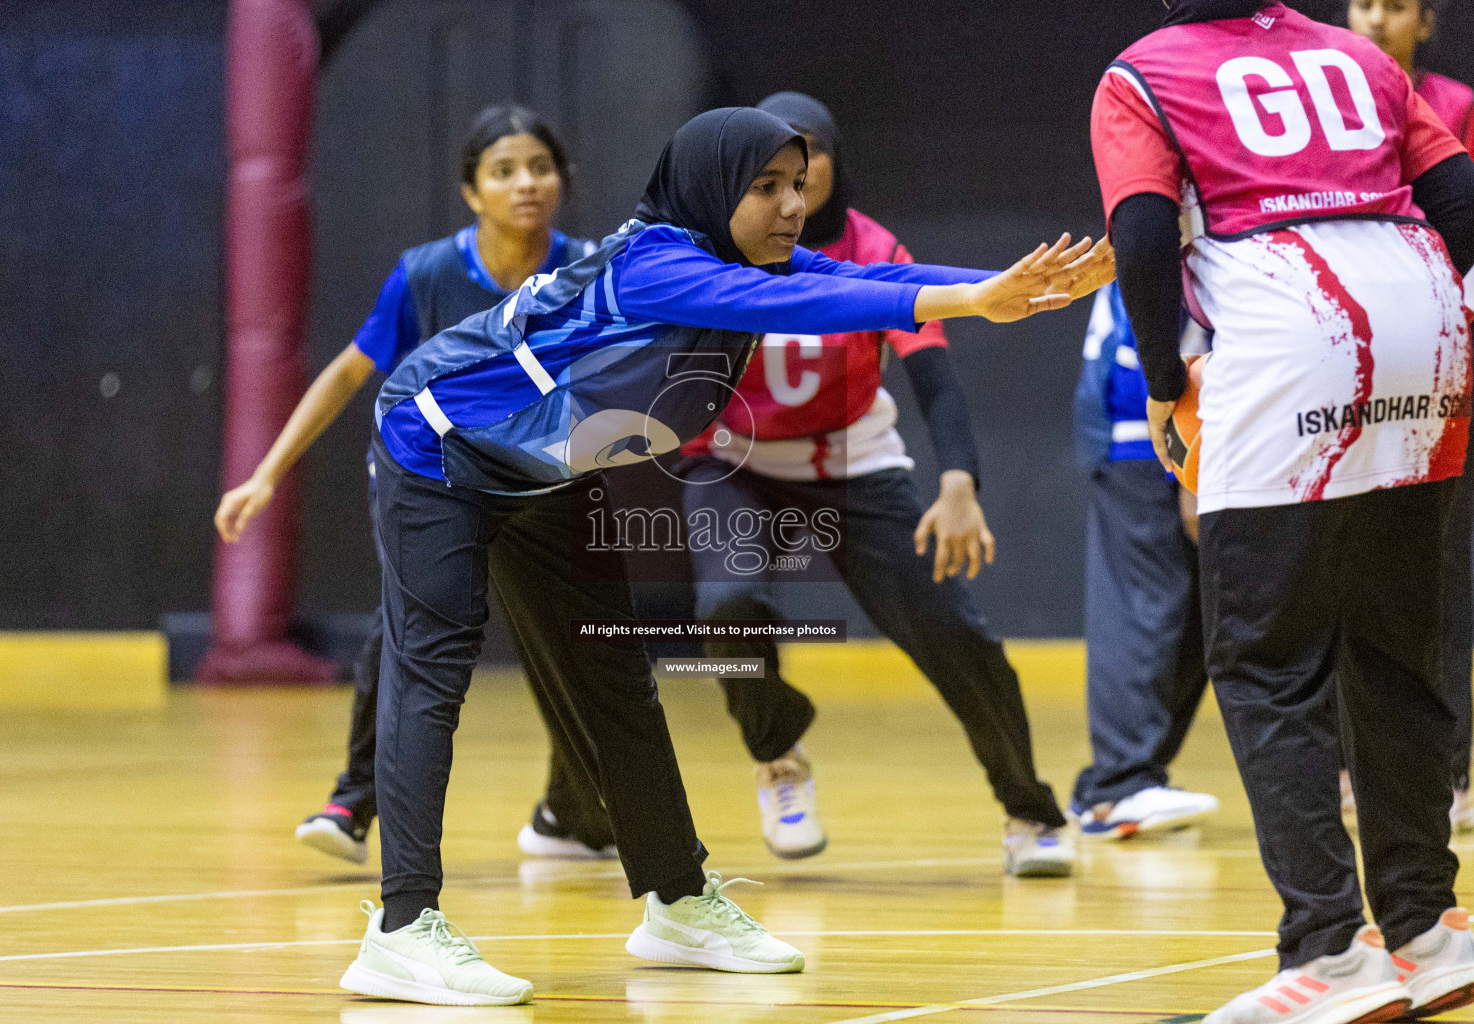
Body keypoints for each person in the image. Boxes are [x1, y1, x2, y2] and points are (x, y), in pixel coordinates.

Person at [342, 106, 1112, 1005]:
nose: (792, 205)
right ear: (712, 189)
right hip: (438, 445)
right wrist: (978, 300)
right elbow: (806, 304)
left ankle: (676, 901)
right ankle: (402, 930)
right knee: (433, 671)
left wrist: (1012, 286)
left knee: (615, 675)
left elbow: (868, 276)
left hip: (543, 468)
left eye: (797, 184)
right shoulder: (662, 263)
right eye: (765, 187)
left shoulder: (753, 257)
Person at [1091, 1, 1474, 1020]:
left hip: (1290, 321)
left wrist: (1168, 379)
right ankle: (1425, 926)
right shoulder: (1360, 56)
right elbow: (1463, 200)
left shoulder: (1141, 72)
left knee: (1266, 655)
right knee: (1399, 641)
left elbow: (1140, 233)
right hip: (1424, 316)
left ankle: (1330, 952)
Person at [653, 90, 1078, 876]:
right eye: (767, 168)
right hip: (735, 462)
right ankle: (778, 755)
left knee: (956, 636)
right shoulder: (707, 248)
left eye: (806, 155)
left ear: (831, 161)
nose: (792, 177)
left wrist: (959, 481)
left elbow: (935, 377)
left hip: (851, 461)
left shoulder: (871, 246)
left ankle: (1031, 811)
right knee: (726, 606)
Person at [212, 105, 612, 864]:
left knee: (579, 647)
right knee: (403, 634)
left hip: (542, 484)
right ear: (472, 192)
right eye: (504, 171)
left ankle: (576, 809)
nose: (525, 183)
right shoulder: (426, 273)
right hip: (437, 483)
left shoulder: (585, 268)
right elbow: (347, 372)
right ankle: (350, 802)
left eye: (540, 166)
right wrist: (265, 473)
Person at [1347, 0, 1474, 834]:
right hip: (1343, 350)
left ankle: (1450, 767)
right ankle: (1350, 761)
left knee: (1439, 567)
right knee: (1343, 562)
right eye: (1364, 4)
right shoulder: (1335, 106)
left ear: (1425, 24)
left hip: (1441, 353)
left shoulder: (1456, 107)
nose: (1376, 20)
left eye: (1395, 7)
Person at [1069, 282, 1220, 839]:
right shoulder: (1182, 227)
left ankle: (1127, 779)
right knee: (1144, 610)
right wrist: (1193, 467)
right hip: (1148, 437)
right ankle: (1118, 788)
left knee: (1201, 621)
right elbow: (1152, 352)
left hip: (1168, 434)